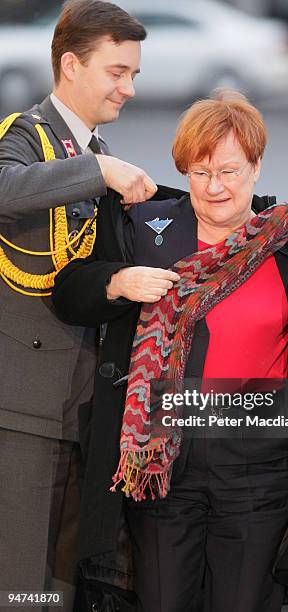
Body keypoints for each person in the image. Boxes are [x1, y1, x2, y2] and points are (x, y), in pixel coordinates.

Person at [53, 91, 288, 612]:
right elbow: (71, 291)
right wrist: (119, 280)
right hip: (162, 463)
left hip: (259, 463)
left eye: (230, 171)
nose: (215, 187)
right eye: (199, 172)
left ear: (257, 167)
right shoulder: (144, 228)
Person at [0, 1, 167, 609]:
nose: (127, 88)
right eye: (116, 72)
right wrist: (97, 169)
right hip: (18, 411)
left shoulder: (92, 151)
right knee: (19, 591)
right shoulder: (27, 134)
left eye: (134, 75)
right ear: (70, 65)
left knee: (58, 594)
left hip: (78, 412)